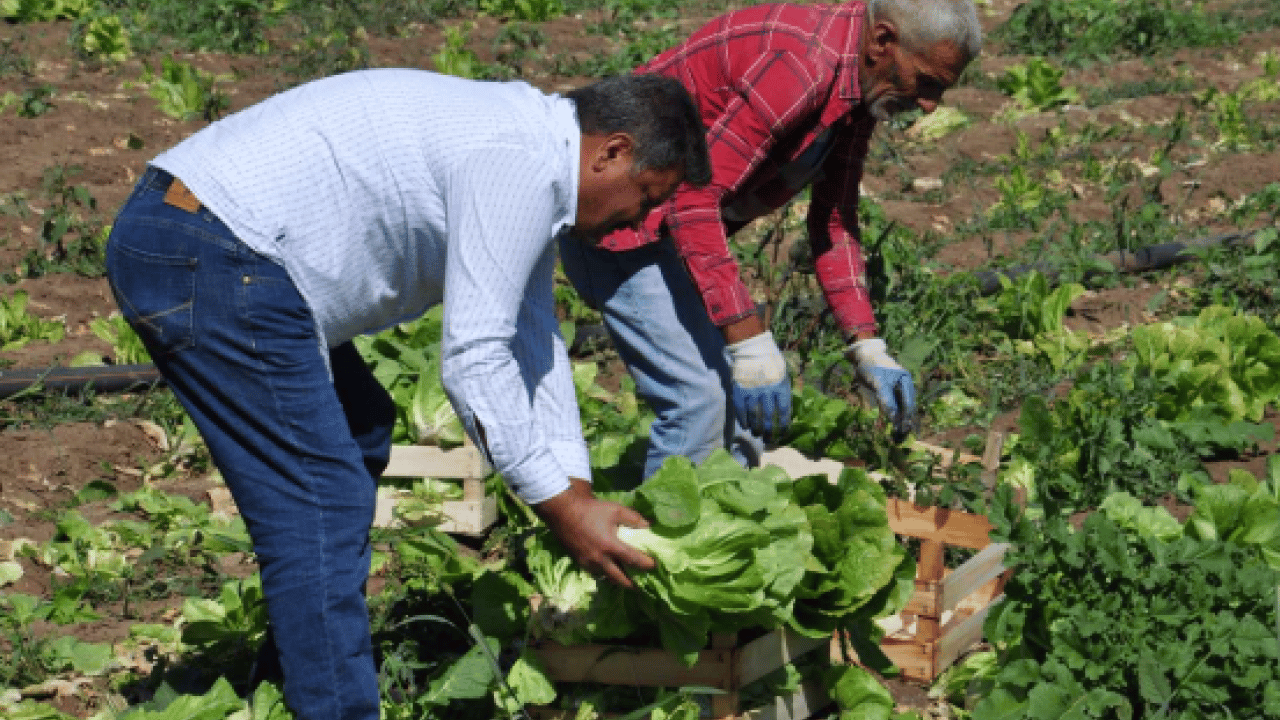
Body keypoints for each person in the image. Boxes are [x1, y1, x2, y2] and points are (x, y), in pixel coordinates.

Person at [103, 69, 710, 720]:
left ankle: (291, 684)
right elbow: (475, 361)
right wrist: (560, 508)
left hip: (217, 239)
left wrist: (577, 491)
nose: (637, 220)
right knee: (322, 499)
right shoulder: (517, 162)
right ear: (611, 151)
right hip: (210, 247)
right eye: (645, 196)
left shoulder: (534, 155)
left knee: (360, 426)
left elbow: (532, 339)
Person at [559, 0, 982, 478]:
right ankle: (659, 545)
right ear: (883, 42)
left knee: (738, 415)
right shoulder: (801, 65)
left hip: (674, 231)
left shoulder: (861, 85)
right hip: (621, 224)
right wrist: (748, 338)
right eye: (926, 83)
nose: (929, 105)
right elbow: (693, 200)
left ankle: (728, 527)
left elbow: (834, 219)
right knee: (698, 402)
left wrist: (867, 345)